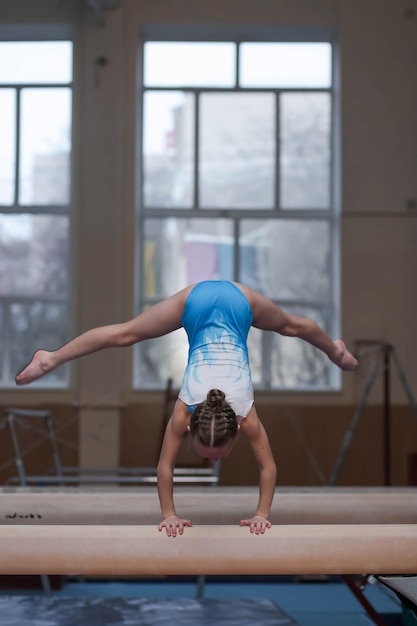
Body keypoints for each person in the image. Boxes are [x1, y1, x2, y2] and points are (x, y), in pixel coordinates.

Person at [15, 280, 358, 537]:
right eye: (212, 452)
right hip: (235, 300)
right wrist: (169, 515)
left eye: (212, 452)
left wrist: (261, 514)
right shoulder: (213, 413)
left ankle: (52, 358)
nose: (211, 459)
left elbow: (171, 466)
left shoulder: (200, 411)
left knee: (126, 334)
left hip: (208, 299)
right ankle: (336, 351)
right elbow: (256, 468)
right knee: (291, 326)